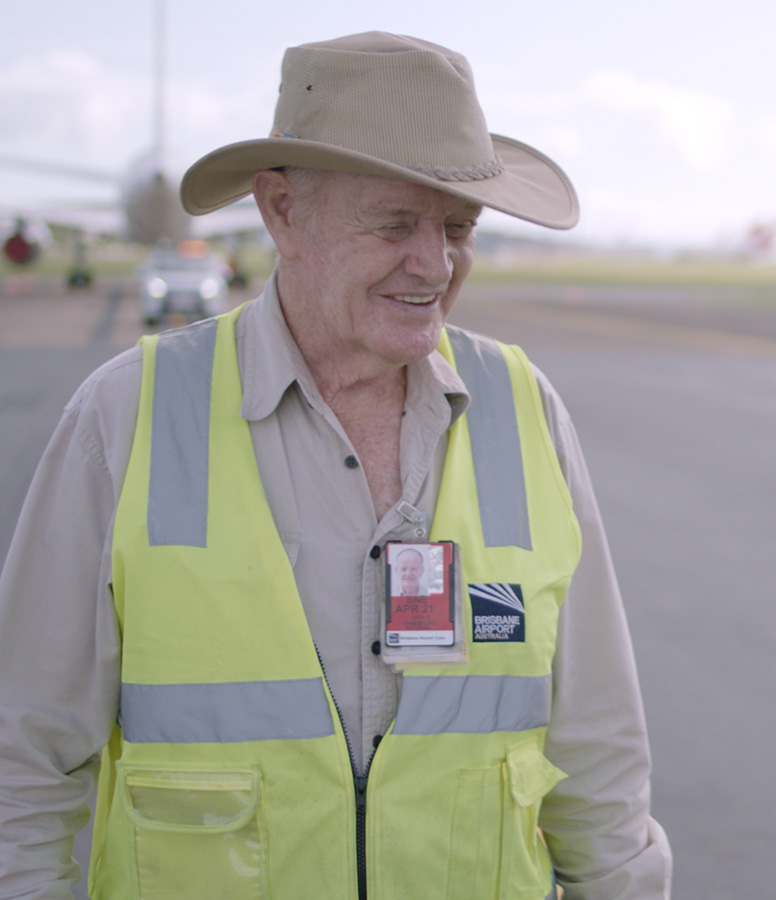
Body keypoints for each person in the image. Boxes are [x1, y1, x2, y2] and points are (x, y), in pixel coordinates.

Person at [0, 32, 670, 900]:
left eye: (459, 227)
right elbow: (22, 762)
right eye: (395, 224)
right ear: (281, 211)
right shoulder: (124, 416)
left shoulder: (524, 408)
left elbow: (600, 762)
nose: (435, 265)